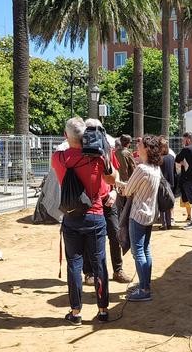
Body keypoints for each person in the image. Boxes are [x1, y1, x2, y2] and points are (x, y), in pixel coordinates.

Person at [52, 117, 117, 325]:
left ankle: (75, 311)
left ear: (65, 136)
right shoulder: (97, 158)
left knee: (74, 264)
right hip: (95, 215)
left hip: (72, 217)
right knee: (99, 263)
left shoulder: (58, 158)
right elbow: (111, 179)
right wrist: (104, 155)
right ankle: (103, 309)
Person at [81, 120, 132, 285]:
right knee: (90, 239)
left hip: (108, 201)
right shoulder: (79, 153)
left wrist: (113, 192)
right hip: (88, 203)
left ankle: (118, 270)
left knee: (115, 235)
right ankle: (89, 272)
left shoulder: (108, 151)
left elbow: (115, 175)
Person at [116, 135, 162, 302]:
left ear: (147, 149)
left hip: (137, 215)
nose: (137, 144)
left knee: (138, 253)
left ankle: (144, 289)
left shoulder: (142, 169)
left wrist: (118, 183)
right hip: (150, 214)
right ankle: (145, 284)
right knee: (146, 249)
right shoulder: (156, 168)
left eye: (140, 144)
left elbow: (128, 191)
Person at [158, 136, 175, 230]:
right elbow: (174, 171)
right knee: (169, 204)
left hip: (162, 183)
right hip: (171, 183)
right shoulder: (171, 157)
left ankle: (164, 223)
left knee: (162, 204)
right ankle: (169, 223)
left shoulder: (160, 158)